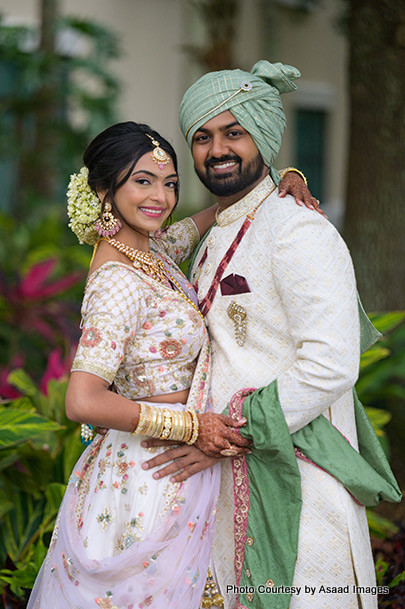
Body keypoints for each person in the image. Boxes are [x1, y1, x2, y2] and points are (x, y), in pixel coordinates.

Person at [140, 61, 401, 609]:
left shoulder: (299, 229)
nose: (218, 150)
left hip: (299, 486)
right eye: (203, 138)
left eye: (234, 132)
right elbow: (140, 257)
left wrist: (228, 430)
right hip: (223, 478)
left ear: (261, 134)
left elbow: (331, 363)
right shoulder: (220, 231)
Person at [27, 121, 318, 609]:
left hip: (174, 464)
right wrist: (190, 425)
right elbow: (81, 400)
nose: (160, 197)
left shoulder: (152, 252)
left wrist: (282, 179)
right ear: (104, 190)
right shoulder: (118, 281)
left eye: (170, 183)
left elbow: (219, 212)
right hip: (149, 474)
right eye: (143, 181)